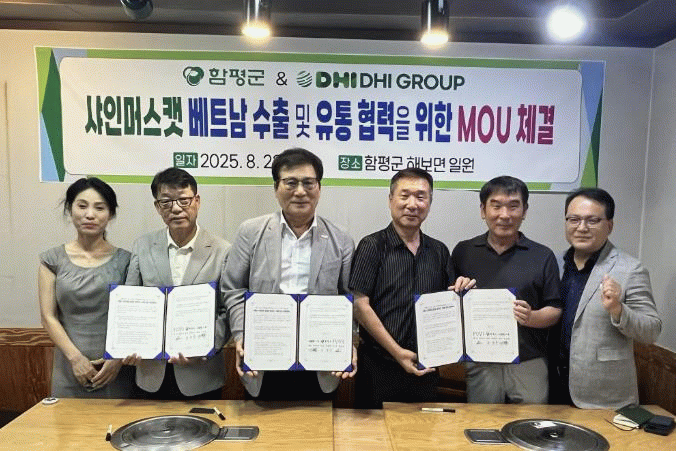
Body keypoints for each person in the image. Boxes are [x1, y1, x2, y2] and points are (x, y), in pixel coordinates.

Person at [222, 147, 356, 399]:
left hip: (321, 358)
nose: (300, 191)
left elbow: (348, 298)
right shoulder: (250, 232)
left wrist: (347, 340)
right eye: (291, 183)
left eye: (308, 183)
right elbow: (233, 289)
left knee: (318, 421)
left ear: (319, 188)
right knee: (264, 421)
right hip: (264, 354)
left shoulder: (341, 239)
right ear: (276, 188)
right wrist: (241, 334)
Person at [349, 168, 474, 409]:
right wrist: (397, 352)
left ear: (429, 203)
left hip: (425, 366)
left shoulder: (439, 251)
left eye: (421, 196)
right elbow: (359, 305)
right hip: (378, 365)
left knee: (422, 429)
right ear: (390, 200)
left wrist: (463, 292)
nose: (412, 204)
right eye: (404, 195)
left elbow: (448, 304)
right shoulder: (372, 246)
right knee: (375, 431)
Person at [451, 175, 561, 404]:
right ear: (483, 210)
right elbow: (450, 305)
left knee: (531, 422)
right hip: (481, 360)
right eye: (496, 205)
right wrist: (457, 293)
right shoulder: (464, 251)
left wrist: (531, 317)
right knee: (482, 422)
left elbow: (555, 309)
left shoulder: (542, 256)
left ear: (525, 210)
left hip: (528, 360)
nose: (504, 215)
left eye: (513, 206)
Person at [124, 167, 230, 399]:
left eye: (183, 200)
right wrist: (130, 343)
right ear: (157, 206)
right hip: (151, 373)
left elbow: (227, 310)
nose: (175, 208)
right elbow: (131, 303)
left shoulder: (222, 250)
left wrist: (205, 347)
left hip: (201, 373)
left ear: (197, 201)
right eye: (166, 202)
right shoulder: (143, 246)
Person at [549, 188, 661, 409]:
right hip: (552, 387)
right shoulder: (554, 264)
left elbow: (651, 330)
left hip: (602, 396)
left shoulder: (630, 269)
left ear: (609, 226)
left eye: (592, 220)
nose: (582, 227)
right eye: (574, 219)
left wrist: (618, 309)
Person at [38, 177, 134, 398]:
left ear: (110, 214)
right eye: (82, 206)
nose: (90, 214)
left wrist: (117, 358)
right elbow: (48, 317)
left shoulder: (127, 261)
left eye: (99, 208)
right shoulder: (51, 260)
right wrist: (76, 359)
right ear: (70, 209)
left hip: (115, 370)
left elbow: (132, 317)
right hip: (69, 367)